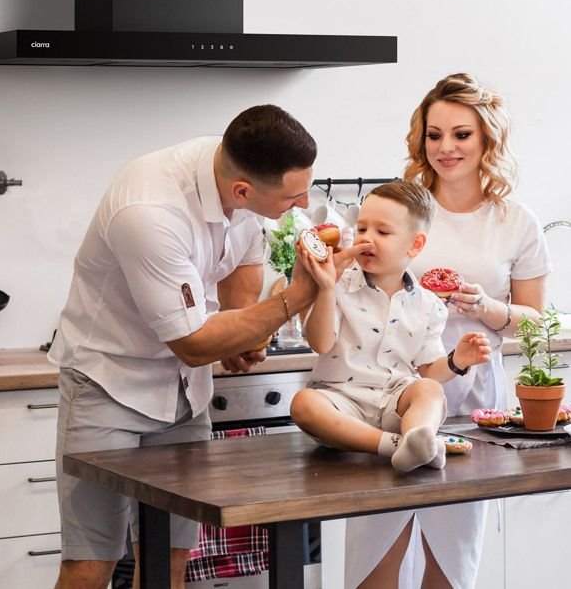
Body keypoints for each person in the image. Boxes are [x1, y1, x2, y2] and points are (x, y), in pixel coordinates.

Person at [48, 104, 367, 589]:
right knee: (92, 565)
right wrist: (300, 294)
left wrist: (241, 335)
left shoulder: (237, 180)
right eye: (293, 196)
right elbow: (194, 344)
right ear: (242, 190)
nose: (303, 205)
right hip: (108, 385)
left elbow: (242, 267)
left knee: (169, 560)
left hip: (185, 393)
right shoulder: (149, 212)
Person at [345, 73, 551, 589]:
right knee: (374, 558)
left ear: (487, 140)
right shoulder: (401, 208)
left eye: (461, 134)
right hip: (390, 393)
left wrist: (486, 307)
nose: (445, 148)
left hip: (472, 399)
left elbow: (536, 321)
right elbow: (357, 286)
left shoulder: (515, 221)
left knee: (452, 564)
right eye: (434, 135)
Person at [291, 180, 491, 473]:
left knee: (428, 390)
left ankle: (417, 436)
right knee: (303, 403)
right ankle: (400, 446)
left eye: (382, 232)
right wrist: (326, 287)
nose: (367, 239)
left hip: (395, 402)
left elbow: (429, 370)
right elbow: (320, 344)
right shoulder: (338, 285)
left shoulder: (429, 304)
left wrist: (457, 361)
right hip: (341, 403)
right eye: (362, 229)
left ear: (415, 244)